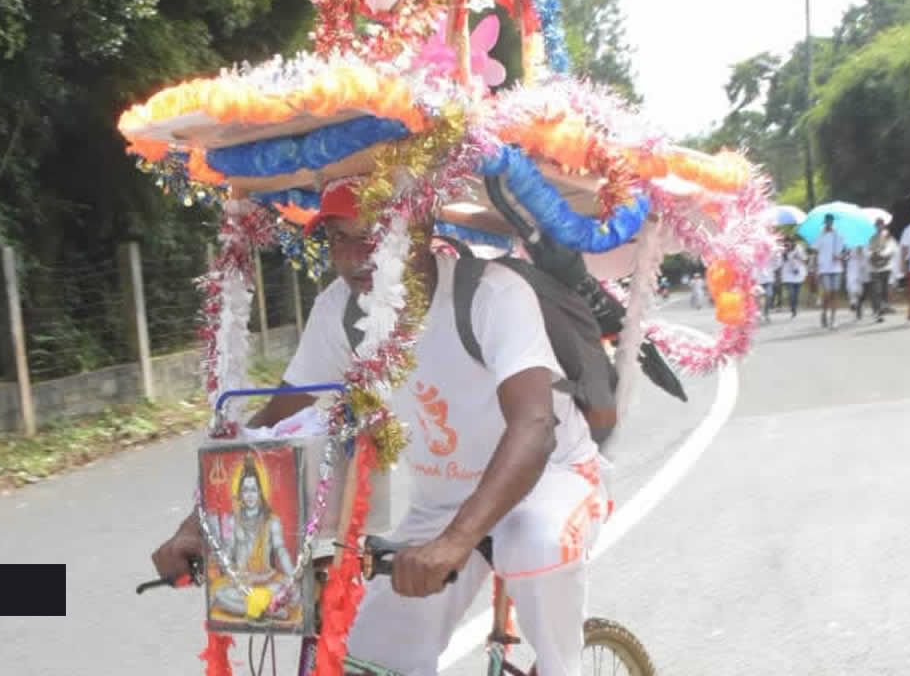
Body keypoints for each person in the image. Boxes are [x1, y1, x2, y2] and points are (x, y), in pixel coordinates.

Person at [151, 177, 607, 676]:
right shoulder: (340, 312)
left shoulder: (492, 295)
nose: (352, 257)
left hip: (549, 483)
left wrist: (456, 541)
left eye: (371, 234)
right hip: (440, 508)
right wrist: (196, 526)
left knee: (533, 544)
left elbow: (535, 426)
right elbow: (271, 425)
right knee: (366, 660)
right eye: (339, 239)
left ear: (419, 227)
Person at [207, 455, 298, 619]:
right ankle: (270, 610)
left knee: (293, 593)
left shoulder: (272, 521)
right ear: (240, 493)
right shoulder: (234, 520)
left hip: (267, 581)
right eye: (245, 490)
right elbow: (229, 550)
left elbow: (281, 550)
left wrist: (292, 576)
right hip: (242, 584)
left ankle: (259, 607)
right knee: (220, 594)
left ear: (260, 492)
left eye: (253, 490)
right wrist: (218, 556)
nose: (249, 495)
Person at [811, 215, 847, 329]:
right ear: (825, 222)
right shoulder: (820, 236)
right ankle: (824, 312)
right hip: (824, 269)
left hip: (836, 268)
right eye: (827, 221)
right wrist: (815, 269)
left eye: (831, 221)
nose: (829, 223)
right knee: (827, 292)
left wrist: (840, 257)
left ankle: (833, 319)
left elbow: (845, 252)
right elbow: (815, 253)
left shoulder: (838, 235)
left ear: (833, 222)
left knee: (835, 293)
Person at [867, 218, 898, 322]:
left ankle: (883, 305)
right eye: (877, 225)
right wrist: (873, 254)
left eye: (881, 224)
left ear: (884, 225)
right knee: (876, 290)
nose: (879, 226)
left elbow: (892, 249)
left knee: (884, 289)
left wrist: (881, 254)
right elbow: (868, 251)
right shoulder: (871, 238)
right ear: (875, 226)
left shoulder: (888, 237)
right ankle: (877, 312)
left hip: (885, 267)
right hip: (874, 268)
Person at [779, 236, 808, 318]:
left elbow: (805, 258)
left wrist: (798, 256)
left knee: (796, 294)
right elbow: (780, 263)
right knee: (791, 293)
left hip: (798, 273)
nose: (787, 244)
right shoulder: (782, 250)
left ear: (792, 242)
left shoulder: (798, 248)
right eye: (786, 242)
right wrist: (784, 254)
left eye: (789, 242)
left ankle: (794, 307)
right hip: (788, 275)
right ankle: (792, 308)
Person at [845, 245, 867, 321]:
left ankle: (859, 306)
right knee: (851, 284)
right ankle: (853, 302)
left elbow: (866, 252)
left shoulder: (866, 240)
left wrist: (861, 250)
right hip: (852, 263)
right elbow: (847, 252)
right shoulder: (849, 241)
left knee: (861, 287)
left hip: (863, 263)